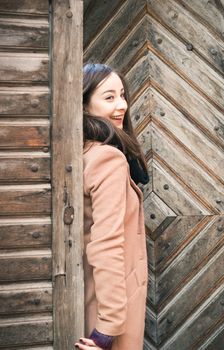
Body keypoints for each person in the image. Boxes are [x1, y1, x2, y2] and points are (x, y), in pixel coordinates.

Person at [75, 63, 149, 350]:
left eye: (122, 95)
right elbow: (106, 244)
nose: (122, 105)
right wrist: (106, 331)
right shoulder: (108, 159)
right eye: (109, 98)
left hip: (95, 298)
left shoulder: (83, 152)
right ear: (83, 105)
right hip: (112, 312)